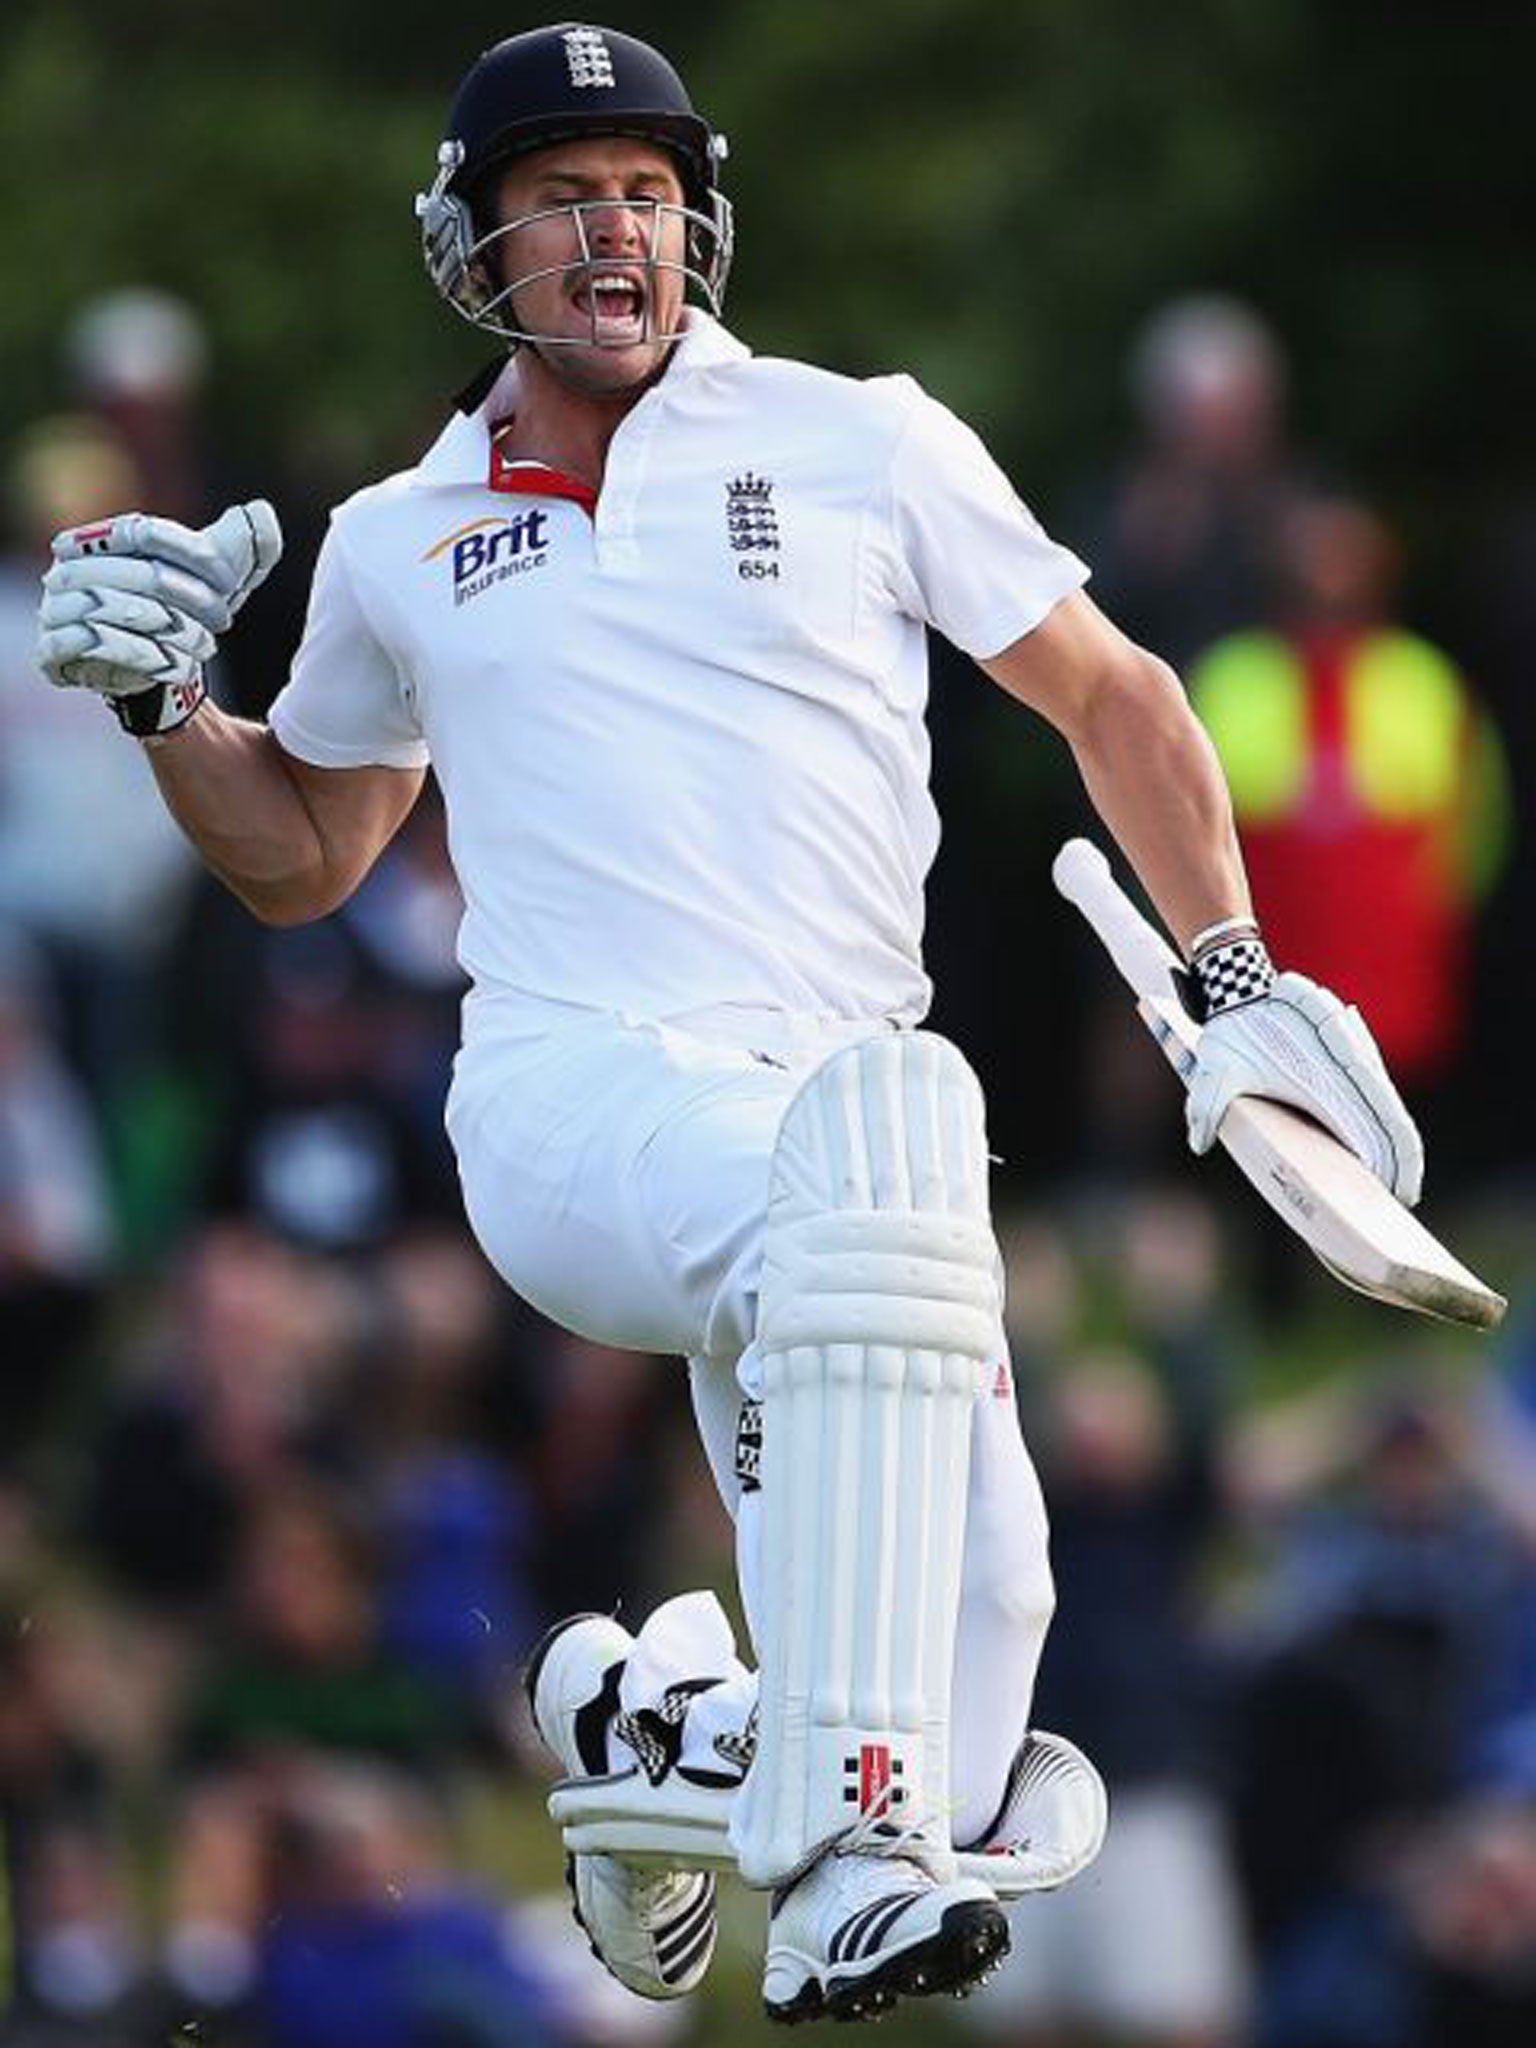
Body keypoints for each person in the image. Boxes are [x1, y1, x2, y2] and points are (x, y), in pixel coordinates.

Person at [32, 23, 1423, 2027]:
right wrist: (172, 708)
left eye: (649, 193)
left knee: (988, 1652)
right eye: (565, 195)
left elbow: (1119, 697)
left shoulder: (865, 439)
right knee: (882, 1168)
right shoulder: (404, 536)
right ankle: (841, 1843)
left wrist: (1233, 984)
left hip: (846, 1135)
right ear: (475, 241)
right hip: (572, 1102)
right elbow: (307, 854)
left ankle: (660, 1728)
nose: (619, 233)